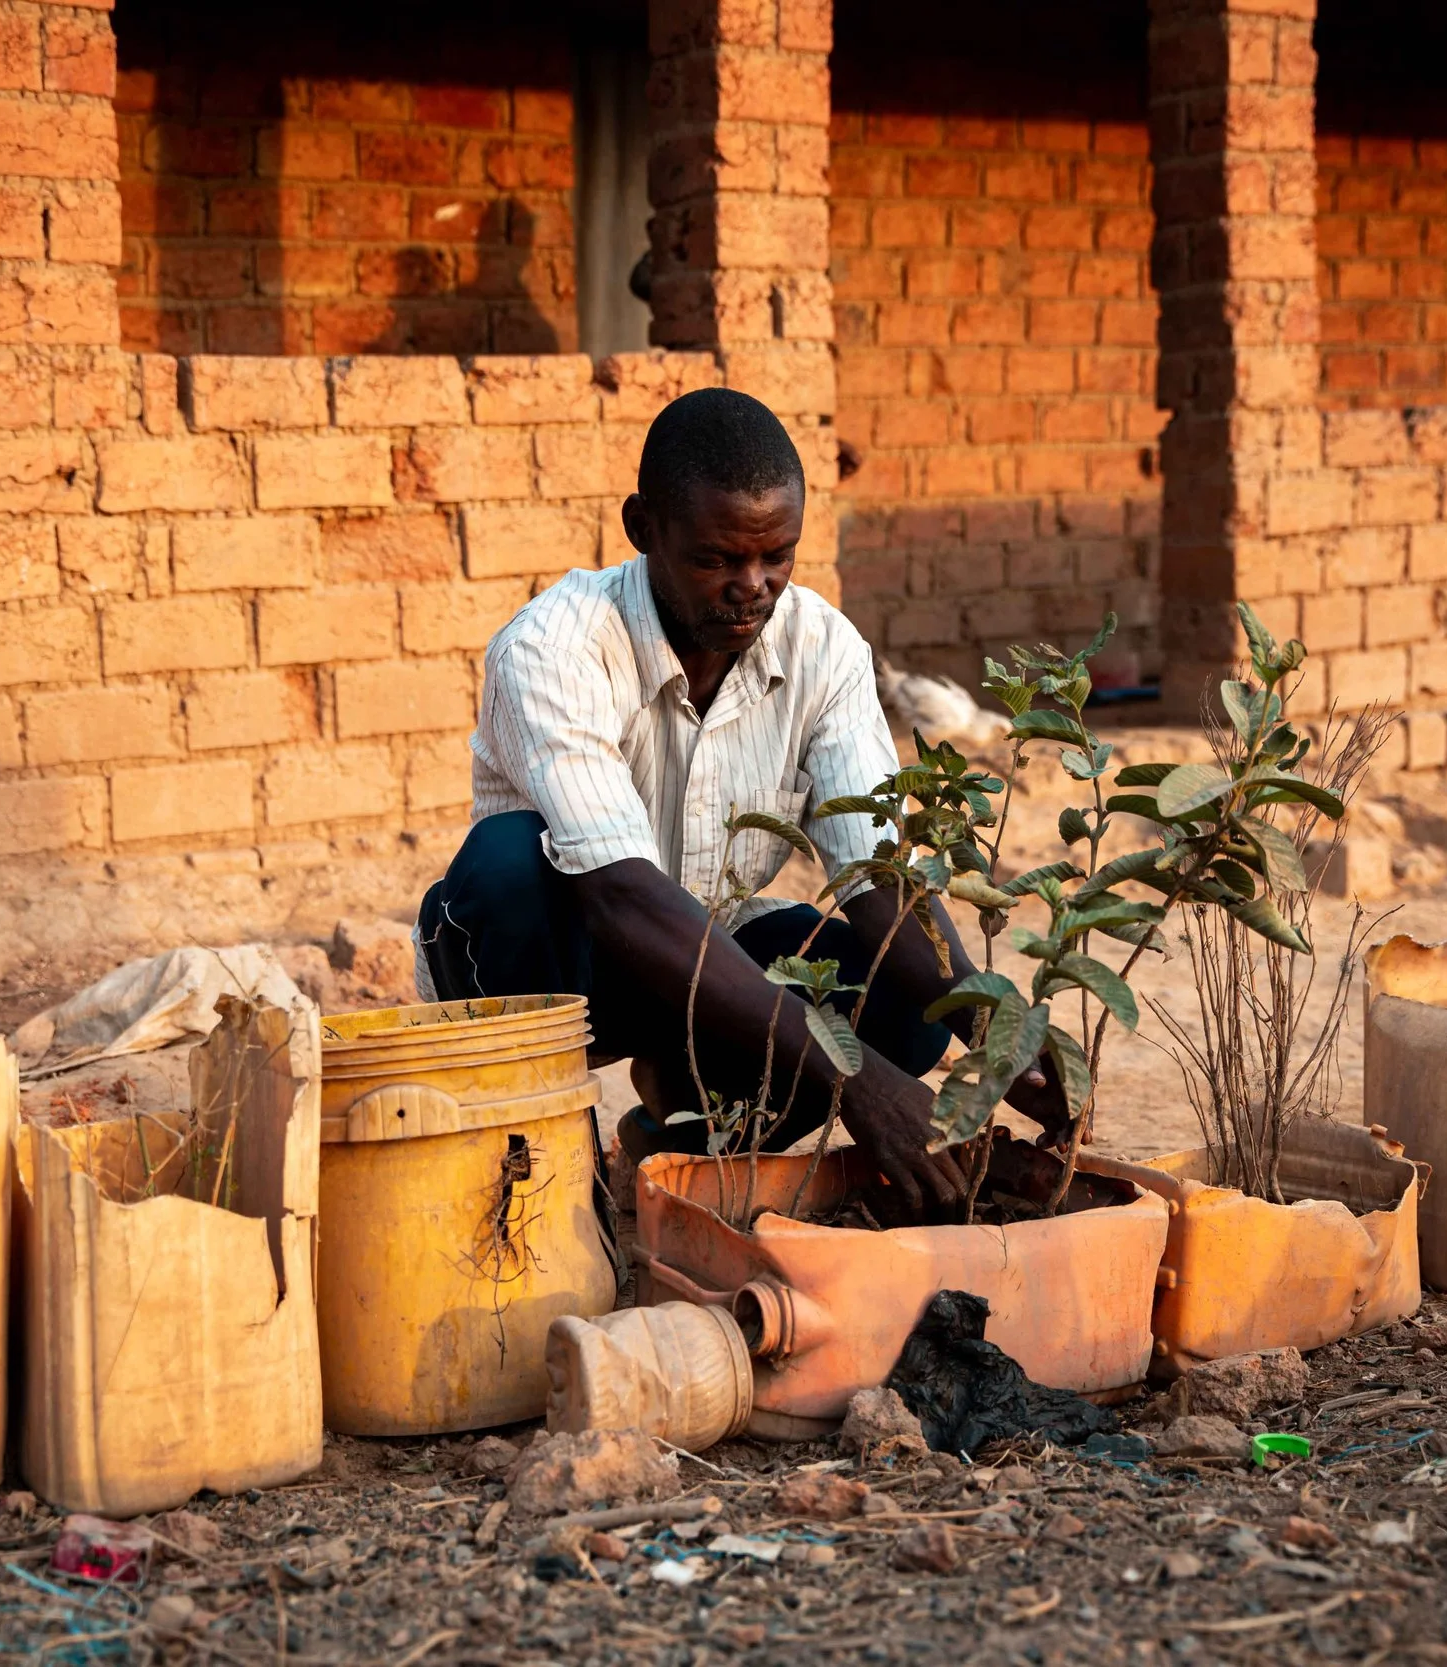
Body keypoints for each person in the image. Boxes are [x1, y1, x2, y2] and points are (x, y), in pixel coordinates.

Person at [414, 387, 1062, 1219]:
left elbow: (879, 875)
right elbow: (618, 892)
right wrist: (851, 1080)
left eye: (776, 557)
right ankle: (539, 1152)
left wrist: (996, 1030)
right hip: (550, 961)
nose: (751, 587)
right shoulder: (556, 646)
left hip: (708, 958)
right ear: (643, 527)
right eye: (717, 559)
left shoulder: (823, 648)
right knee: (509, 864)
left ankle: (679, 1143)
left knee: (900, 1003)